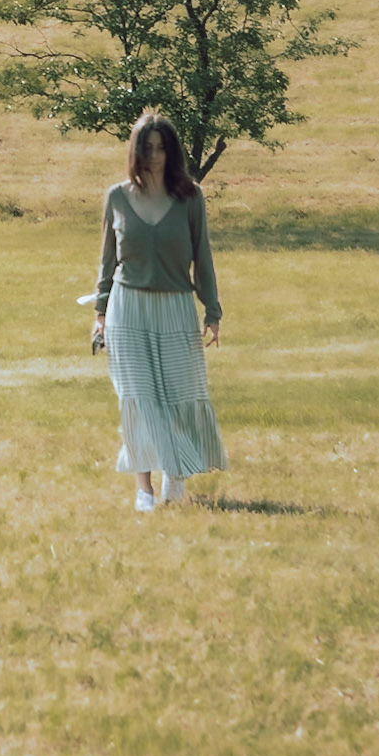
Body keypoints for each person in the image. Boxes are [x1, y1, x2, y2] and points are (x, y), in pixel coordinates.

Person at [91, 110, 227, 512]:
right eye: (146, 148)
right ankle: (144, 490)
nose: (153, 156)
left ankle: (176, 472)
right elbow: (107, 262)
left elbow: (203, 257)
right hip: (127, 308)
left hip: (175, 307)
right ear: (135, 151)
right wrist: (100, 314)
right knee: (137, 400)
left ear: (172, 152)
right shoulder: (117, 197)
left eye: (160, 148)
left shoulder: (190, 197)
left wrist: (212, 311)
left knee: (177, 398)